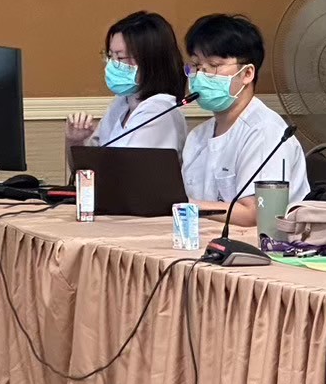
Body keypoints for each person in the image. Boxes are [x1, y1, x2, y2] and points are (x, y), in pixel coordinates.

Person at [180, 14, 308, 225]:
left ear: (247, 73)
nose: (200, 76)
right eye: (196, 65)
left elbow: (255, 214)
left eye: (213, 65)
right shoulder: (197, 136)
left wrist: (182, 205)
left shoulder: (266, 131)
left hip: (262, 242)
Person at [65, 11, 187, 153]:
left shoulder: (159, 111)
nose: (111, 65)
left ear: (150, 60)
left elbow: (125, 165)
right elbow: (87, 162)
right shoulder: (121, 103)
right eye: (110, 56)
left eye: (120, 57)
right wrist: (76, 141)